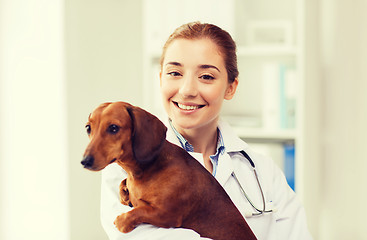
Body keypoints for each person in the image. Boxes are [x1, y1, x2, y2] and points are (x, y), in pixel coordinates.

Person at [100, 22, 313, 240]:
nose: (187, 90)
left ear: (231, 87)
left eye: (206, 77)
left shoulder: (263, 171)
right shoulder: (124, 167)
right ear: (160, 78)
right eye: (175, 73)